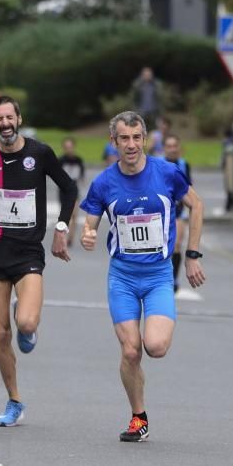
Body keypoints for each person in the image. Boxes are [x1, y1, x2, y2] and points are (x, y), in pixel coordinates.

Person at [79, 111, 206, 443]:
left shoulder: (166, 173)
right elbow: (90, 223)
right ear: (114, 142)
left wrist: (191, 254)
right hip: (121, 276)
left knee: (156, 347)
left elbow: (197, 205)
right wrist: (88, 234)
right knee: (131, 351)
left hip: (158, 276)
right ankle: (138, 417)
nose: (131, 144)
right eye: (124, 138)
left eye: (137, 137)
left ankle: (140, 407)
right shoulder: (104, 182)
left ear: (145, 139)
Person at [0, 96, 78, 427]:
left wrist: (61, 226)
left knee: (25, 324)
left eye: (10, 117)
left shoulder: (39, 153)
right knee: (0, 334)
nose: (5, 124)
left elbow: (69, 189)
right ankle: (14, 400)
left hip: (28, 252)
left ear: (19, 118)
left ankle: (26, 324)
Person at [163, 133, 192, 290]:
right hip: (160, 213)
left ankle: (173, 279)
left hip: (178, 212)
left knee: (176, 245)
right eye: (169, 146)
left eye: (175, 146)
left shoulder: (184, 165)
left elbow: (189, 190)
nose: (172, 149)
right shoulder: (157, 165)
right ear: (164, 148)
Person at [58, 137, 86, 246]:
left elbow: (81, 176)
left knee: (74, 215)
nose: (69, 149)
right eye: (66, 147)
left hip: (74, 190)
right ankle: (63, 237)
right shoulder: (61, 160)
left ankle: (71, 237)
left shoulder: (78, 160)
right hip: (63, 190)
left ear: (73, 147)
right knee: (65, 215)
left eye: (70, 147)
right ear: (64, 148)